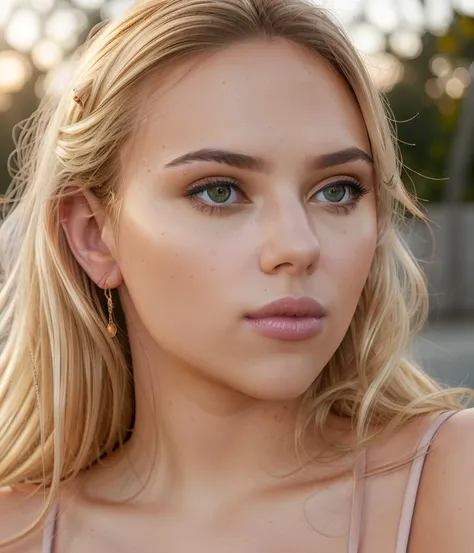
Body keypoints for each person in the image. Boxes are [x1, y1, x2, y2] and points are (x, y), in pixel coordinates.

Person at [0, 0, 473, 551]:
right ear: (92, 234)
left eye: (337, 190)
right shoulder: (18, 532)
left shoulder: (453, 479)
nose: (298, 246)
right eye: (218, 191)